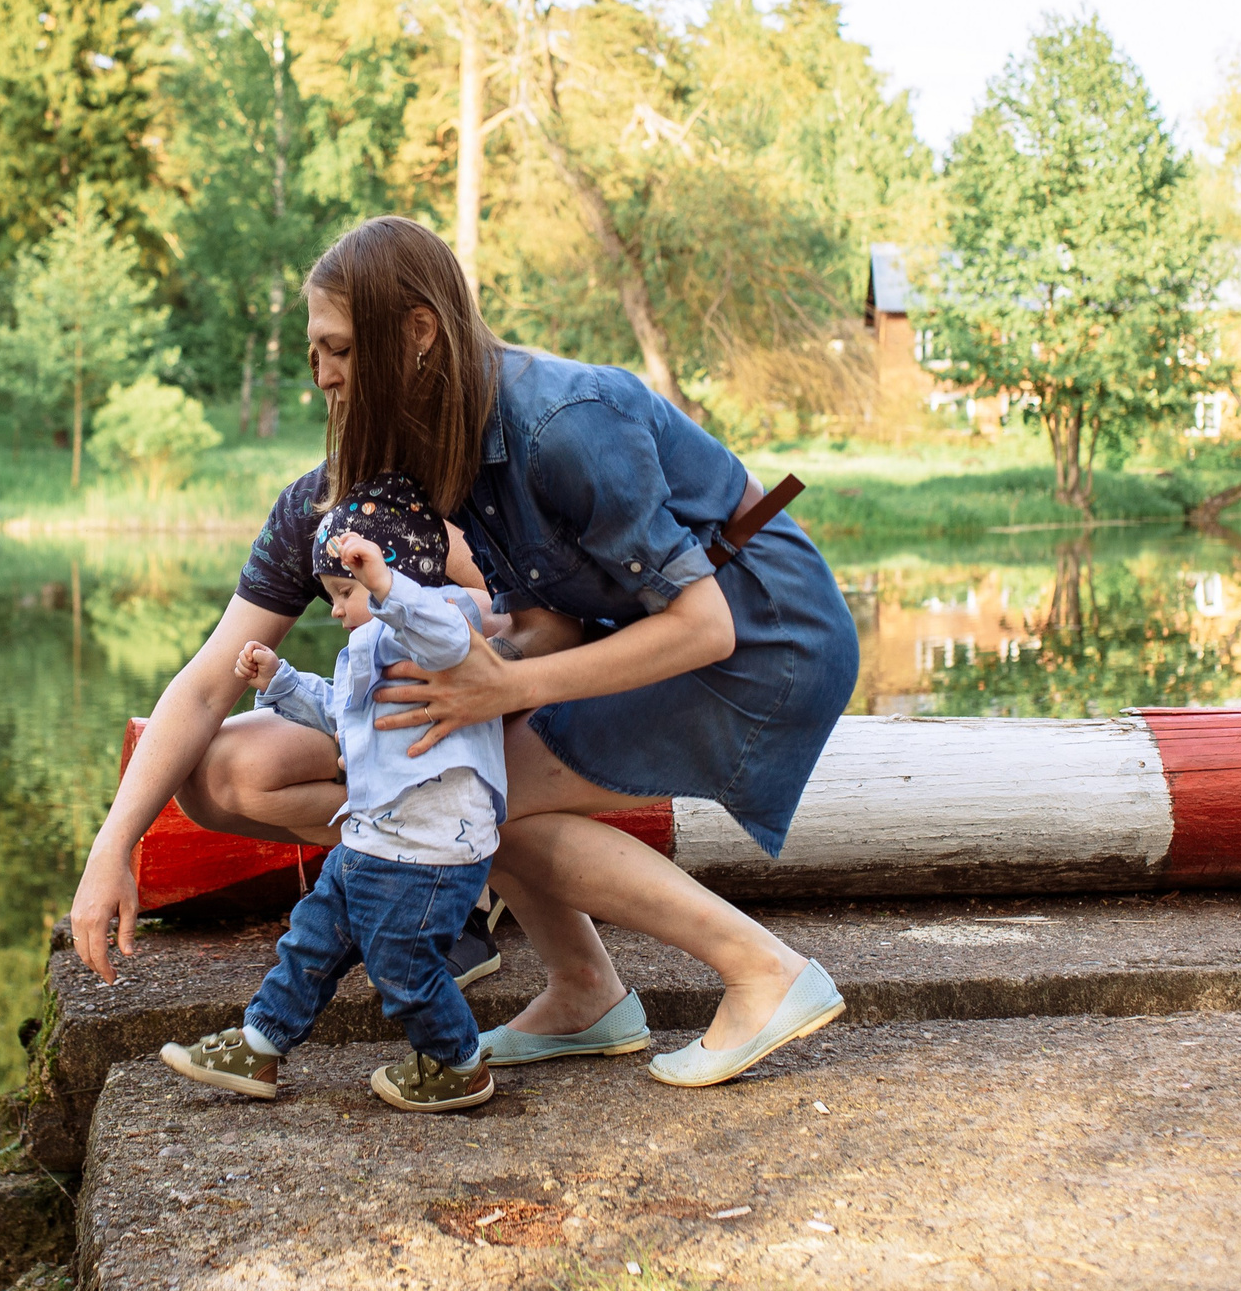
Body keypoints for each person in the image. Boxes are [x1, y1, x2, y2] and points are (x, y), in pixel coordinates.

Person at [75, 216, 860, 1088]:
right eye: (313, 354)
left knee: (482, 801)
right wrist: (114, 845)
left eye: (338, 349)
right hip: (688, 635)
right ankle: (584, 991)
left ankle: (762, 971)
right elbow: (549, 623)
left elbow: (704, 625)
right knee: (477, 790)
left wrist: (498, 685)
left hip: (767, 635)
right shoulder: (449, 448)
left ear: (416, 332)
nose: (324, 376)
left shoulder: (561, 422)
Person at [157, 475, 512, 1111]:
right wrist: (282, 680)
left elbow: (443, 630)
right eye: (333, 594)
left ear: (388, 575)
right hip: (371, 839)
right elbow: (341, 713)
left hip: (428, 852)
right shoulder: (367, 643)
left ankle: (460, 1063)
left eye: (344, 592)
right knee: (310, 943)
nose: (335, 607)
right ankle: (260, 1047)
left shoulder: (440, 626)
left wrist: (383, 586)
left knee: (403, 975)